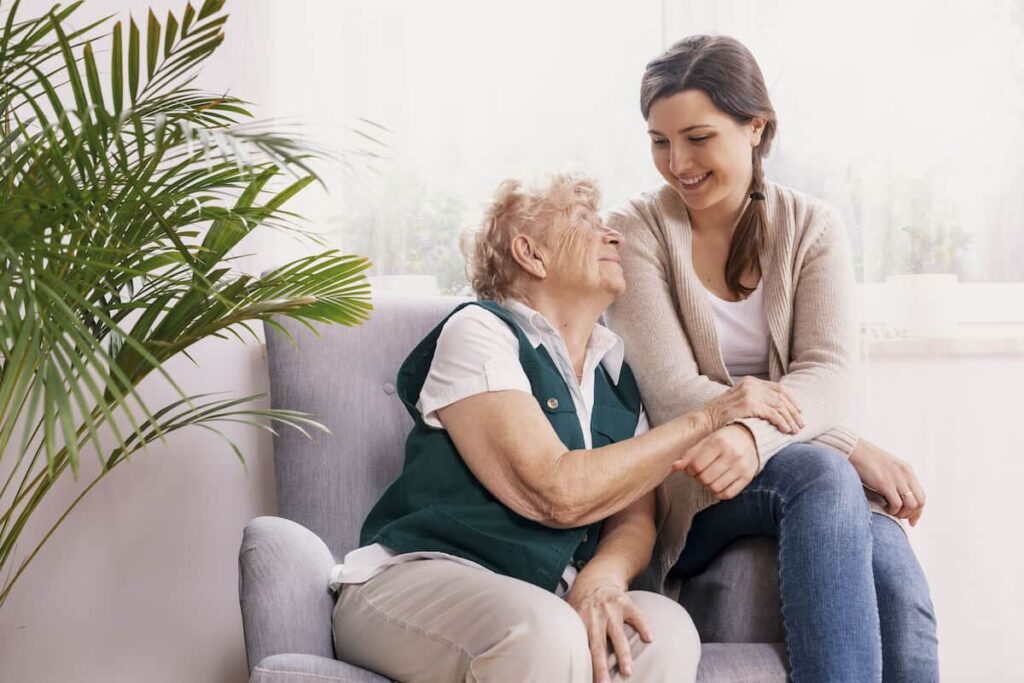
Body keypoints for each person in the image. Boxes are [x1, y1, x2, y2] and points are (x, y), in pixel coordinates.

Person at [329, 173, 801, 683]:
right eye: (585, 221)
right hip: (417, 584)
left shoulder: (615, 377)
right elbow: (555, 490)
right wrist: (711, 415)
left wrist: (603, 577)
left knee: (662, 631)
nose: (614, 235)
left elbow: (634, 517)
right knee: (545, 631)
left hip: (543, 599)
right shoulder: (481, 331)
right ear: (531, 254)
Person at [605, 35, 939, 682]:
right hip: (687, 478)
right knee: (821, 473)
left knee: (895, 569)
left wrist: (767, 437)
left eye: (698, 137)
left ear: (755, 127)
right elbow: (672, 390)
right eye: (659, 141)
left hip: (774, 459)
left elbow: (831, 375)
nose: (678, 162)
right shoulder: (640, 231)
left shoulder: (812, 227)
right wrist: (846, 446)